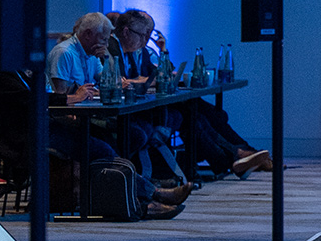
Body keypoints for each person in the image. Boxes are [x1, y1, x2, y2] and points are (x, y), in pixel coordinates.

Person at [47, 13, 188, 217]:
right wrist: (79, 95)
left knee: (128, 138)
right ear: (88, 34)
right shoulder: (64, 53)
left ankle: (135, 197)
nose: (106, 44)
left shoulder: (92, 54)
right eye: (103, 39)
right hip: (67, 124)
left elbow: (113, 82)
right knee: (114, 144)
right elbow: (60, 99)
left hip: (89, 119)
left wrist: (106, 58)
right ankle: (148, 196)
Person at [113, 10, 269, 179]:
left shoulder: (140, 51)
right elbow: (124, 82)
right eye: (143, 34)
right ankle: (237, 156)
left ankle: (239, 155)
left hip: (148, 102)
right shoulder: (114, 49)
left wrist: (163, 51)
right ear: (126, 32)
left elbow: (161, 74)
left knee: (206, 112)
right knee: (192, 113)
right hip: (135, 109)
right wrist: (144, 80)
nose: (146, 40)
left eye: (148, 34)